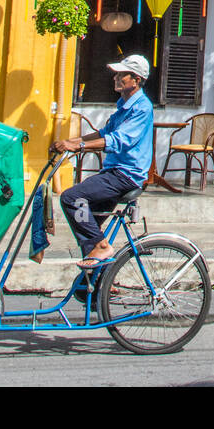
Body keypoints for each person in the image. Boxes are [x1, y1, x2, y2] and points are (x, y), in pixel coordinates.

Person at [54, 54, 156, 269]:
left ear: (136, 80)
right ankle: (96, 281)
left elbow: (120, 140)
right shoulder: (124, 105)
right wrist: (72, 141)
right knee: (88, 229)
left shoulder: (141, 108)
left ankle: (101, 249)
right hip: (114, 171)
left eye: (122, 75)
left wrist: (79, 146)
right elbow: (105, 132)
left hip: (126, 174)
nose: (116, 78)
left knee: (71, 197)